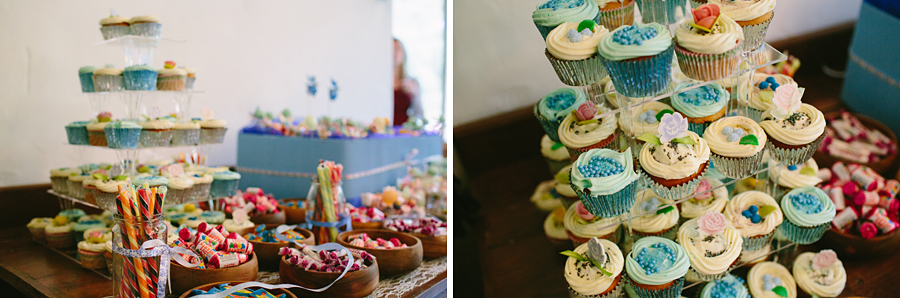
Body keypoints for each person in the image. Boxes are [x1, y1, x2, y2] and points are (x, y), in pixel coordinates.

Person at [393, 38, 424, 126]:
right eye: (391, 49)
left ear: (403, 53)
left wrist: (414, 94)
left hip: (406, 131)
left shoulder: (412, 82)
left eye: (397, 49)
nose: (394, 53)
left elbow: (420, 114)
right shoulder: (379, 84)